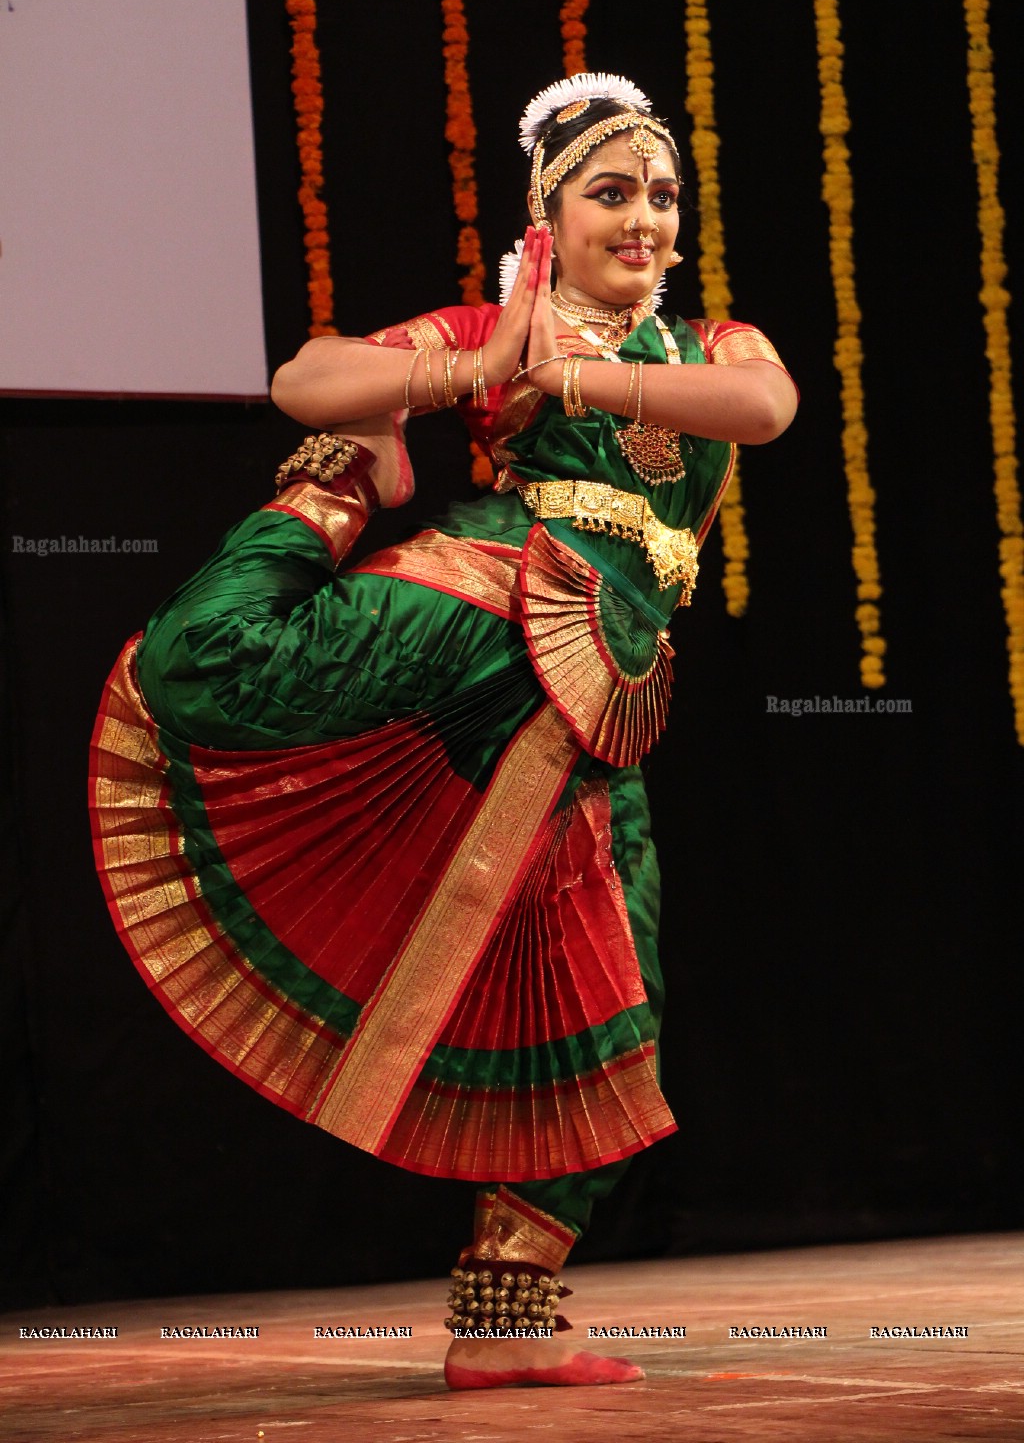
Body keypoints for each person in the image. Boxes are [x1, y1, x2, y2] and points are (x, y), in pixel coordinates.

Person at [90, 73, 797, 1389]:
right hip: (491, 598)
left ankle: (506, 1313)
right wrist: (473, 366)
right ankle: (341, 504)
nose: (644, 219)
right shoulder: (498, 323)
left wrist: (573, 372)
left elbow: (768, 414)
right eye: (611, 194)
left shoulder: (715, 348)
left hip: (603, 692)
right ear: (550, 212)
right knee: (208, 668)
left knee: (613, 999)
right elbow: (310, 374)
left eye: (661, 198)